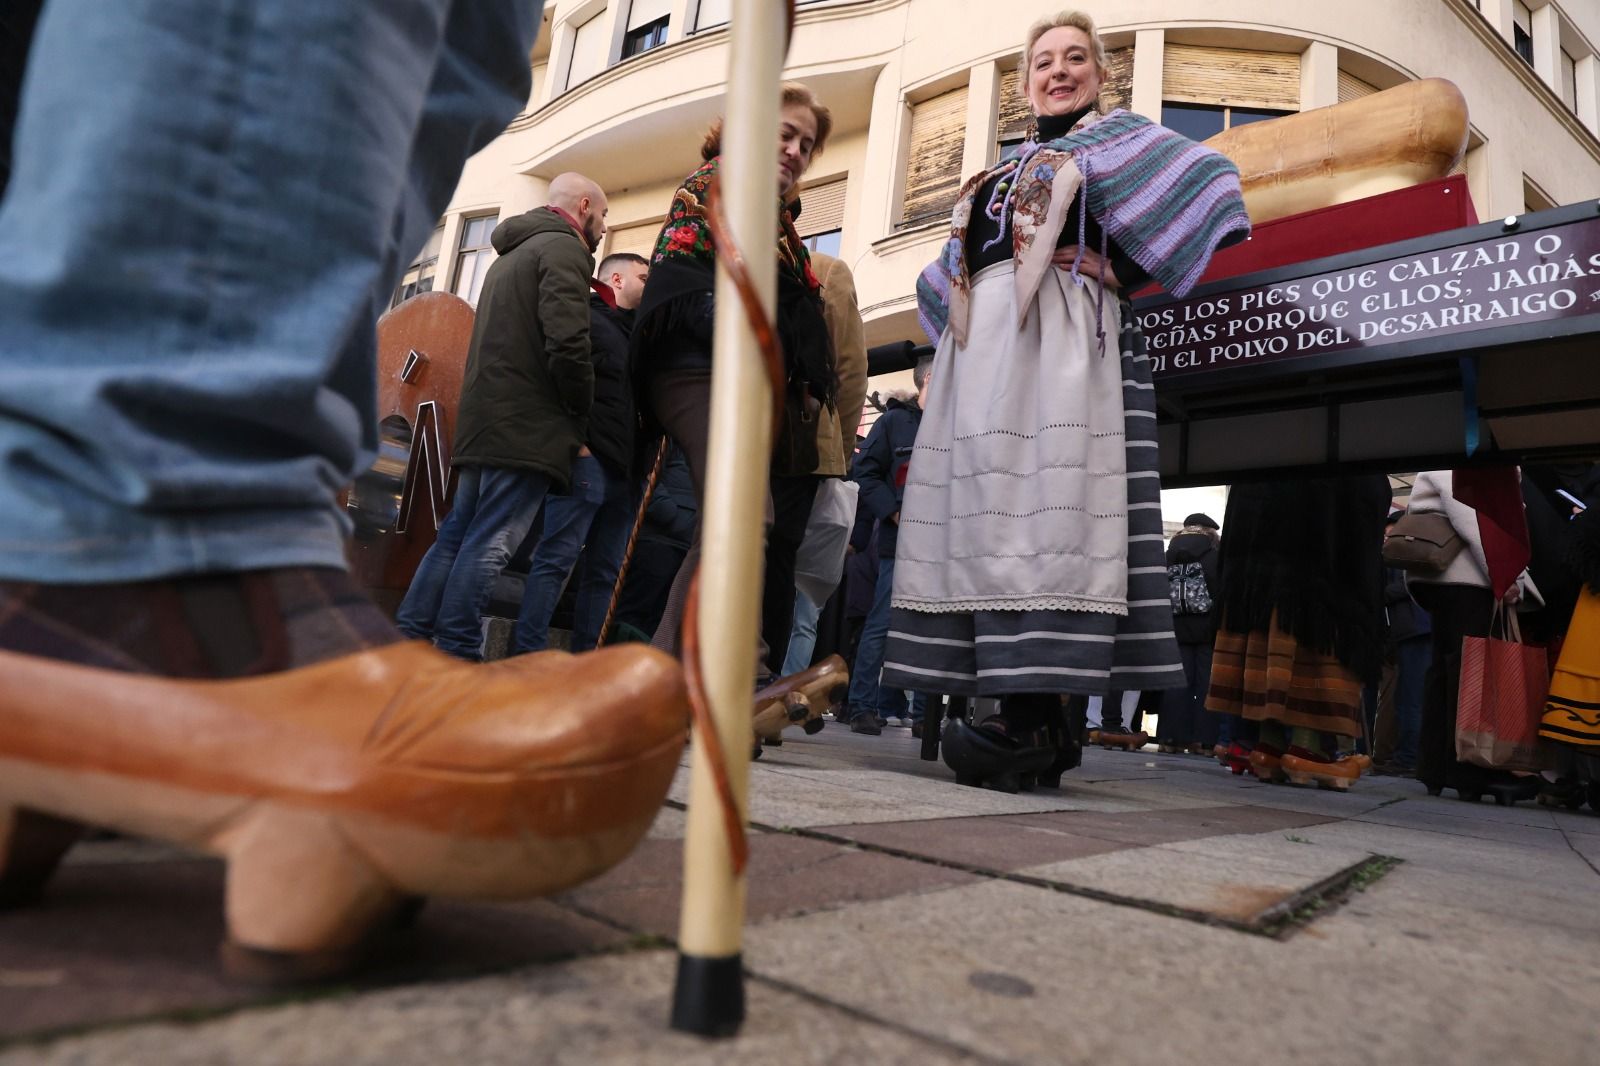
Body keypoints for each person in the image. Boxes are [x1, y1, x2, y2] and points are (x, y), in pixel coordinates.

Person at [0, 0, 687, 977]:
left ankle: (72, 580)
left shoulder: (525, 257)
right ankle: (145, 514)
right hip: (528, 436)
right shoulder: (559, 262)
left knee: (467, 45)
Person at [879, 11, 1249, 786]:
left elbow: (1214, 182)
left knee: (1052, 508)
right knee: (984, 519)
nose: (1059, 71)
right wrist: (958, 320)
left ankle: (1036, 707)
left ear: (1100, 74)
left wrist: (1128, 273)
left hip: (1062, 345)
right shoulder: (992, 175)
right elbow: (942, 277)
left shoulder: (1125, 141)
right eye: (1044, 61)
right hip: (984, 358)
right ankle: (1011, 704)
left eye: (1075, 58)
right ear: (1023, 83)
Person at [632, 82, 837, 683]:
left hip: (737, 382)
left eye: (806, 144)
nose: (796, 150)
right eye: (784, 133)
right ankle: (737, 677)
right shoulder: (717, 185)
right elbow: (687, 291)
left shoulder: (779, 225)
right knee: (748, 513)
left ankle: (667, 679)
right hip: (696, 371)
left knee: (727, 521)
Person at [395, 173, 607, 660]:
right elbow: (569, 344)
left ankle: (411, 636)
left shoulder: (508, 257)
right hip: (527, 426)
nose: (602, 225)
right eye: (603, 214)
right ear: (583, 206)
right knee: (490, 543)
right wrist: (579, 411)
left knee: (457, 533)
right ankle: (458, 648)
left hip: (486, 420)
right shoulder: (564, 252)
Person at [1205, 477, 1392, 789]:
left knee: (1269, 621)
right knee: (1318, 624)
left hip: (1255, 539)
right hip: (1319, 527)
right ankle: (1309, 749)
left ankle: (1269, 745)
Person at [512, 251, 649, 654]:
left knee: (605, 573)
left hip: (625, 471)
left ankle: (587, 661)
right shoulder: (589, 321)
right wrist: (580, 447)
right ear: (618, 279)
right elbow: (559, 381)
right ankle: (528, 656)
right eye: (644, 276)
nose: (651, 283)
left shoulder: (635, 335)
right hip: (590, 463)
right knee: (557, 560)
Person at [777, 248, 869, 677]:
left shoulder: (715, 258)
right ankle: (768, 687)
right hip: (803, 442)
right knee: (784, 570)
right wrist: (840, 450)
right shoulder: (825, 268)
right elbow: (849, 370)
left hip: (735, 439)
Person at [845, 364, 931, 735]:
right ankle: (862, 705)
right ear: (929, 378)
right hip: (901, 543)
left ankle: (926, 716)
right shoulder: (895, 422)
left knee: (931, 627)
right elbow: (865, 469)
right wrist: (893, 511)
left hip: (942, 545)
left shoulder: (957, 424)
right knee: (882, 623)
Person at [1160, 513, 1222, 754]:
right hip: (1207, 628)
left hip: (1176, 627)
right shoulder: (1214, 554)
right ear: (1210, 530)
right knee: (1206, 683)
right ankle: (1206, 741)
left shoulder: (1170, 553)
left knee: (1177, 682)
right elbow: (1219, 588)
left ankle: (1170, 738)